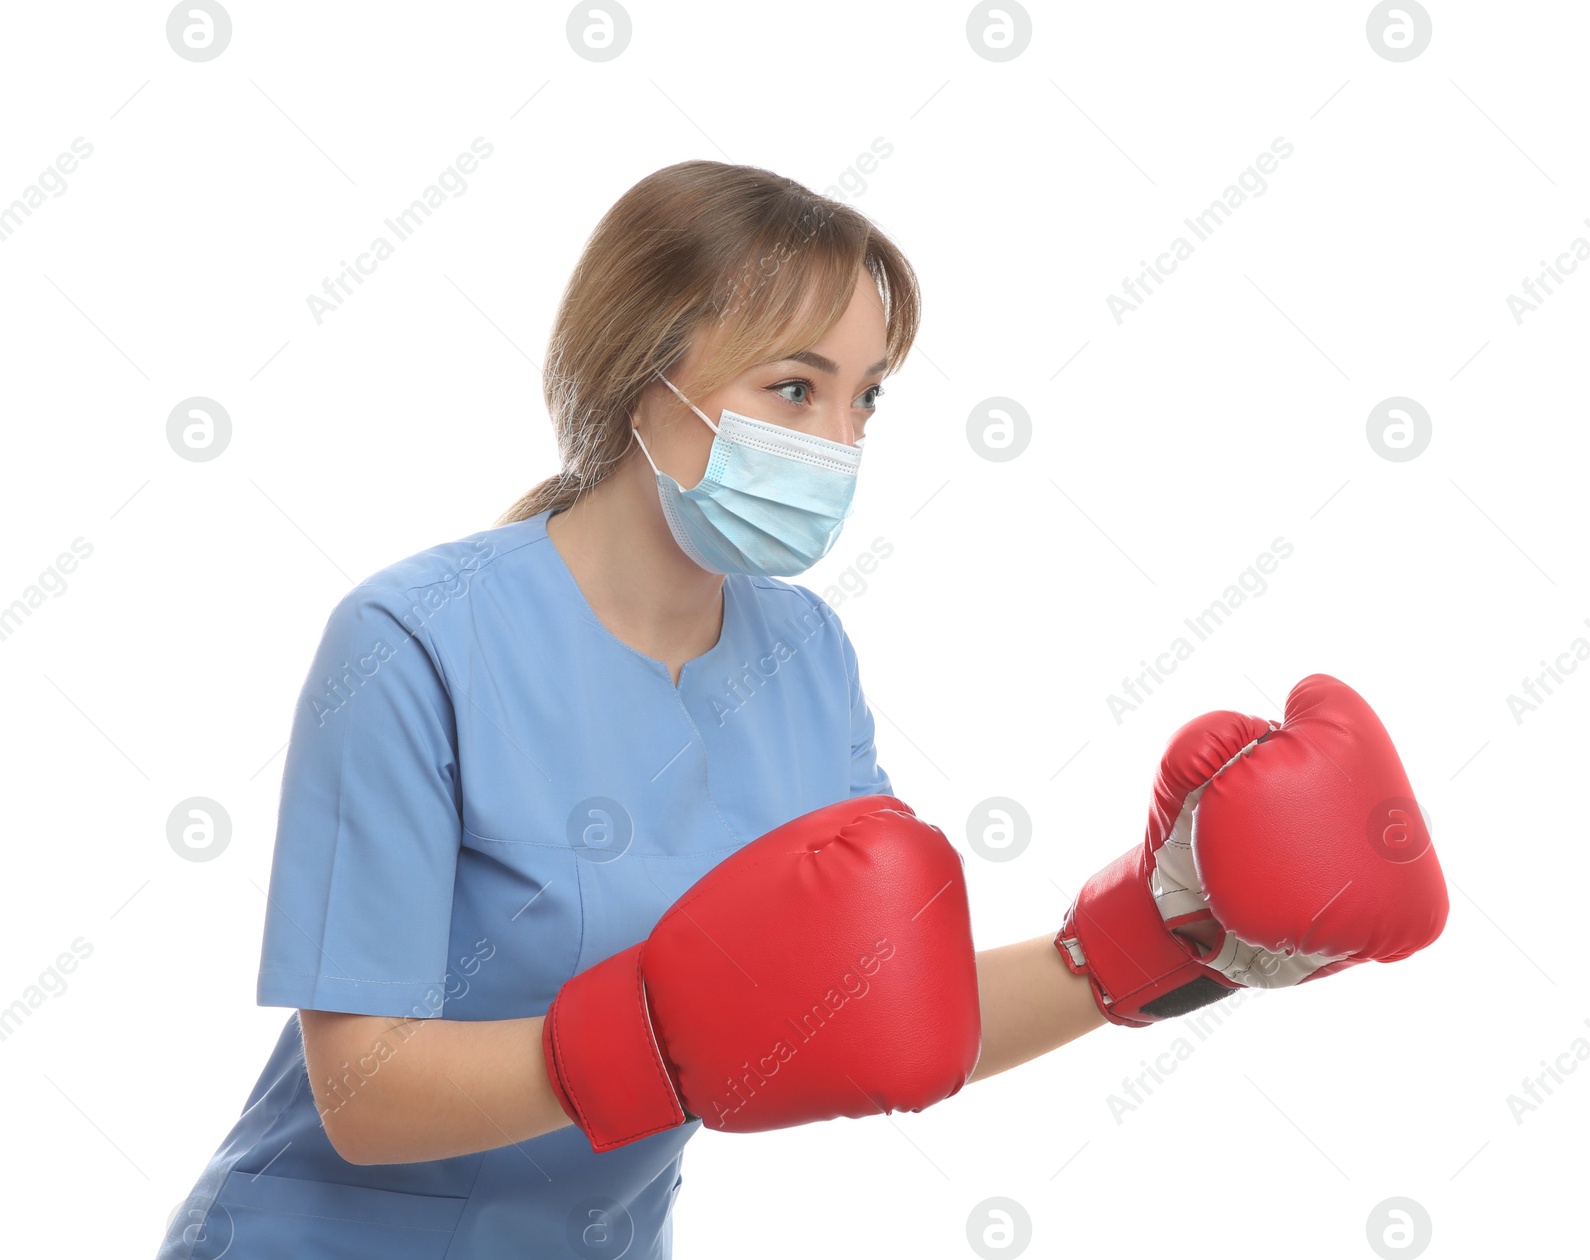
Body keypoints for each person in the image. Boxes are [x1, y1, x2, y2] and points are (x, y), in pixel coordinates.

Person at [156, 160, 1447, 1259]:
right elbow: (363, 1097)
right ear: (644, 381)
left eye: (866, 395)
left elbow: (884, 1003)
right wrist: (654, 1037)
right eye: (794, 387)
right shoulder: (409, 643)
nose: (836, 440)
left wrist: (1167, 939)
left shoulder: (804, 655)